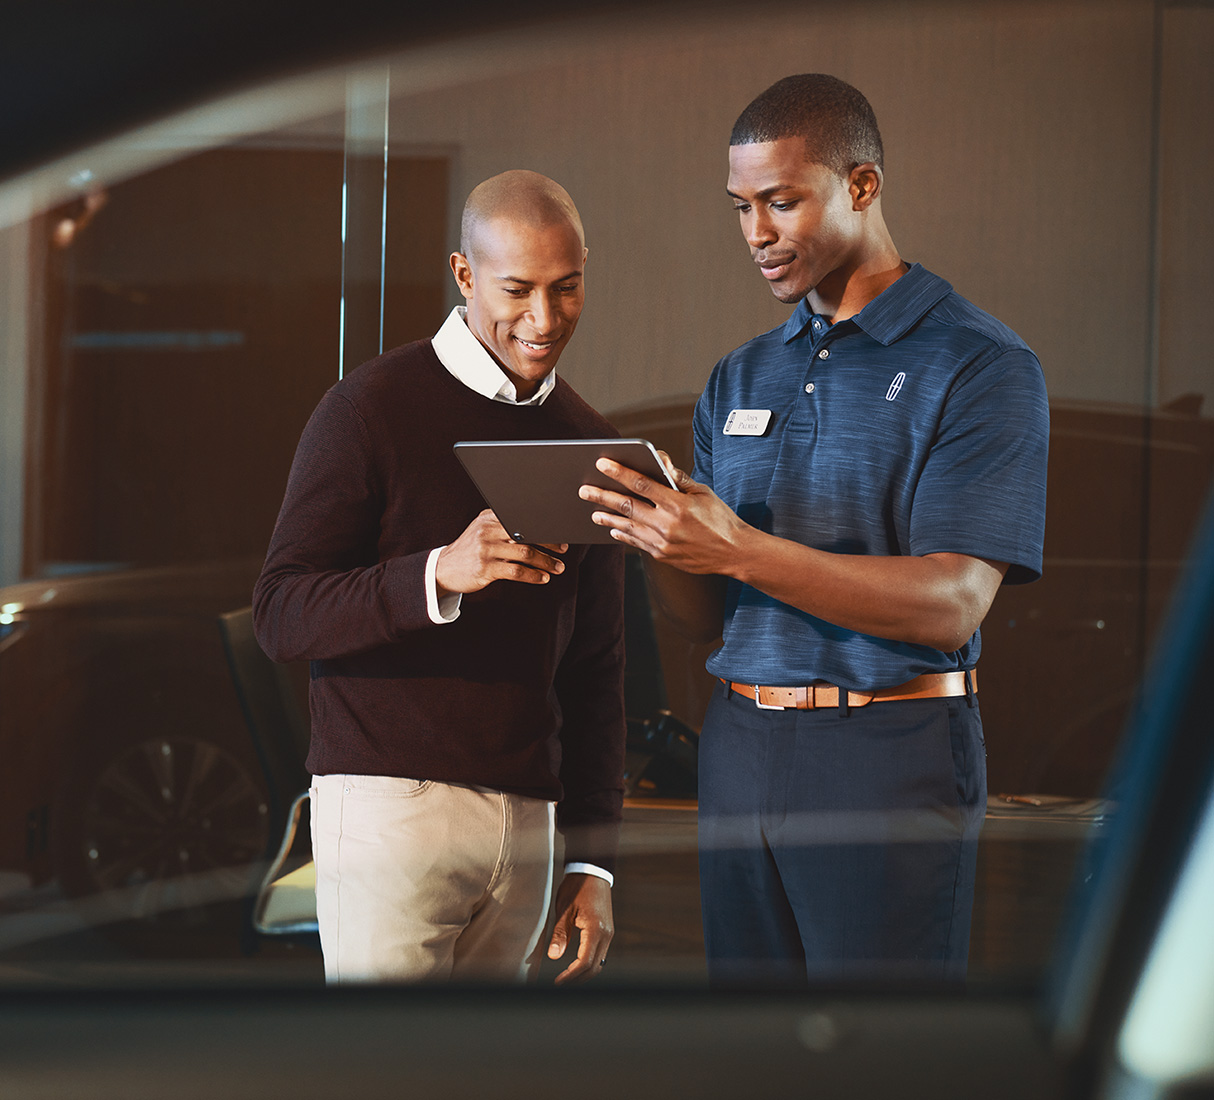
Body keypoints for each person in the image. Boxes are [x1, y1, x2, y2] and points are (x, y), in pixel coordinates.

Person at [580, 74, 1049, 986]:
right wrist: (659, 530)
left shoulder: (981, 363)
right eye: (740, 207)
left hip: (887, 756)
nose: (756, 234)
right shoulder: (740, 374)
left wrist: (737, 547)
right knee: (755, 1059)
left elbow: (952, 603)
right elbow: (705, 618)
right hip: (741, 748)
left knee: (878, 1059)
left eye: (782, 202)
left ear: (862, 187)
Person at [253, 170, 624, 985]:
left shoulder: (589, 441)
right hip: (392, 808)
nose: (544, 318)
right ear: (464, 274)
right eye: (518, 289)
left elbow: (597, 675)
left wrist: (592, 864)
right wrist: (439, 574)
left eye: (567, 288)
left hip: (531, 823)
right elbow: (279, 613)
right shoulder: (368, 410)